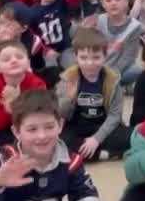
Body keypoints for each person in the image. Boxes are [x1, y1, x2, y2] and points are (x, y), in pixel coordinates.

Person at [56, 28, 131, 161]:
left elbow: (115, 115)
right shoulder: (68, 78)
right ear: (76, 57)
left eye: (96, 58)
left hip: (102, 125)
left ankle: (93, 151)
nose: (90, 63)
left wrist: (96, 139)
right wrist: (69, 99)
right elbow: (61, 114)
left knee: (131, 136)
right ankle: (103, 154)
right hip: (77, 126)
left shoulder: (112, 80)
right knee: (60, 143)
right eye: (83, 58)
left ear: (105, 56)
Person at [0, 40, 47, 150]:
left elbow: (40, 114)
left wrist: (15, 103)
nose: (14, 60)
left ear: (28, 63)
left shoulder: (37, 84)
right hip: (5, 129)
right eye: (6, 59)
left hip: (29, 127)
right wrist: (9, 109)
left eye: (19, 57)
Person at [15, 0, 83, 70]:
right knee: (50, 71)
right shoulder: (33, 11)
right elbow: (32, 35)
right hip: (47, 50)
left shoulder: (62, 2)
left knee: (73, 68)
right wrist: (45, 50)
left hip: (65, 46)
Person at [92, 0, 144, 86]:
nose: (113, 3)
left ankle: (115, 83)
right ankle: (114, 84)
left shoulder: (134, 26)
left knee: (136, 70)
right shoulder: (99, 21)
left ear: (126, 1)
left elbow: (129, 56)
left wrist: (112, 73)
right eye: (108, 0)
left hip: (121, 67)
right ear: (103, 4)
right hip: (101, 65)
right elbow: (94, 49)